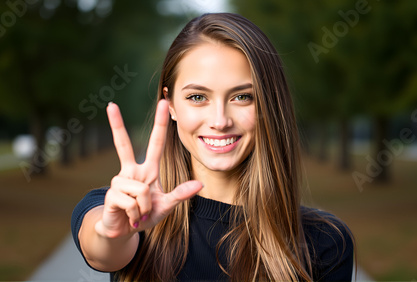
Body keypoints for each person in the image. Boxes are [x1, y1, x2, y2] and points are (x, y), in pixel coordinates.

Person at [71, 13, 354, 281]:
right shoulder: (126, 209)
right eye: (197, 97)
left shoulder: (325, 242)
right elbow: (103, 253)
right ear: (170, 105)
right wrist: (114, 234)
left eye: (243, 96)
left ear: (269, 104)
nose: (220, 121)